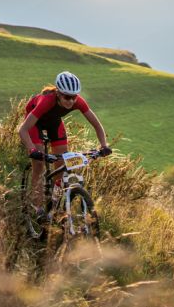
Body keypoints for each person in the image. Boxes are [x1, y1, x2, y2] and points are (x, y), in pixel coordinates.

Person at [18, 71, 111, 212]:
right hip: (35, 124)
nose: (71, 101)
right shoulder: (46, 101)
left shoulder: (78, 101)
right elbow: (23, 130)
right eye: (67, 97)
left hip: (54, 123)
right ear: (58, 94)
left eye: (74, 97)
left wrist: (104, 146)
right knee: (39, 163)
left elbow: (97, 125)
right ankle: (37, 208)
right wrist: (32, 150)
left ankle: (54, 205)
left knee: (60, 167)